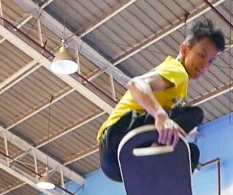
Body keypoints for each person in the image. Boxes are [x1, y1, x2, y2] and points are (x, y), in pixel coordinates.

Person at [97, 18, 226, 182]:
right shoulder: (177, 71)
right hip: (115, 137)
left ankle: (157, 170)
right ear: (185, 49)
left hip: (115, 168)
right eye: (201, 55)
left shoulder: (178, 83)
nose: (204, 65)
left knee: (190, 153)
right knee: (195, 114)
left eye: (210, 61)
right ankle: (159, 157)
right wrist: (160, 116)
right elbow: (135, 83)